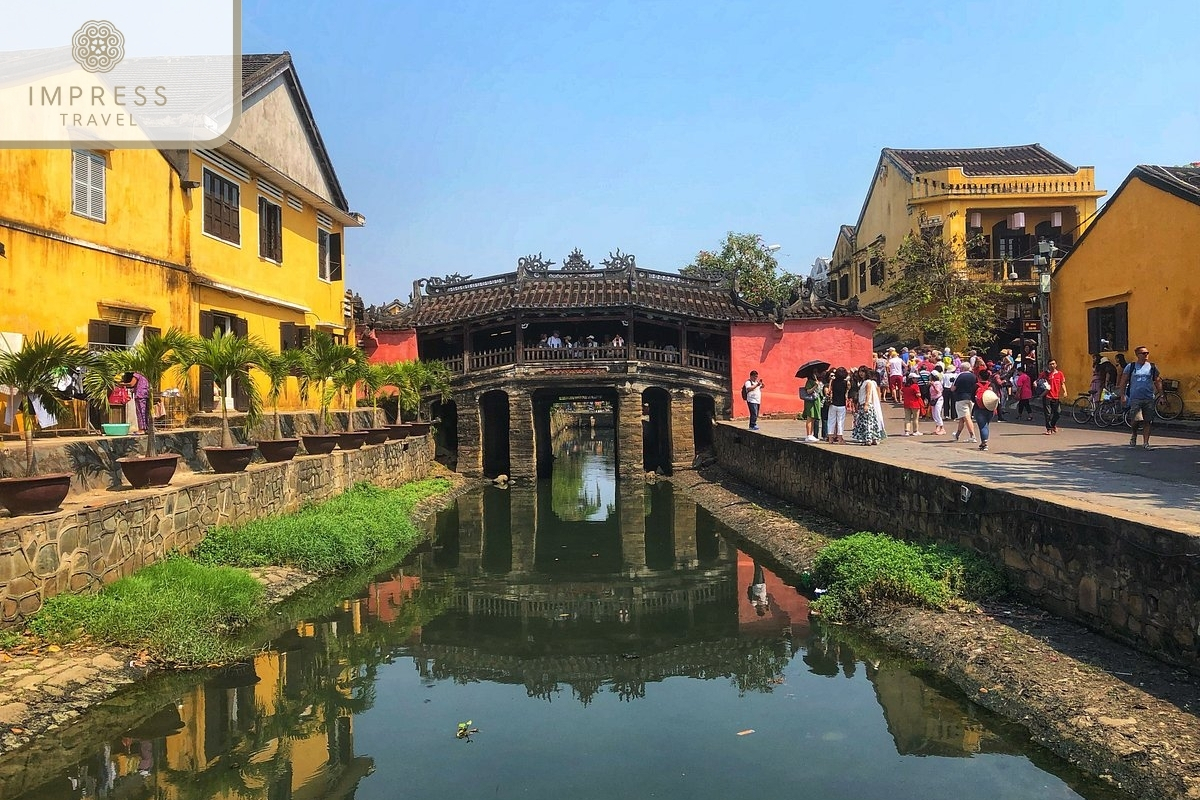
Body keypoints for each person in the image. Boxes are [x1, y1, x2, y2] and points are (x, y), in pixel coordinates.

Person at [1118, 346, 1162, 450]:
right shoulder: (1131, 366)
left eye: (1147, 353)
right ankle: (1134, 434)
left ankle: (1146, 443)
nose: (1146, 355)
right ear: (1137, 355)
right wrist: (1122, 395)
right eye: (1143, 353)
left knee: (1148, 421)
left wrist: (1162, 395)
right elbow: (1123, 381)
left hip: (1148, 398)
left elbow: (1157, 381)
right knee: (1136, 420)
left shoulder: (1152, 367)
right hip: (1135, 398)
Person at [850, 366, 885, 445]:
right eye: (860, 372)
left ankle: (868, 439)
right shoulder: (863, 382)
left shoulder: (868, 382)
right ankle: (872, 438)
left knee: (868, 422)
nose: (861, 373)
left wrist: (866, 404)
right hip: (862, 404)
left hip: (867, 404)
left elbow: (868, 393)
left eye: (863, 372)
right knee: (866, 422)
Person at [951, 367, 978, 444]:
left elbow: (953, 388)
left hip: (961, 398)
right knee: (962, 418)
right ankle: (957, 434)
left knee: (966, 417)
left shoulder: (959, 376)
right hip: (971, 398)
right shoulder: (974, 376)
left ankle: (972, 436)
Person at [1040, 359, 1066, 434]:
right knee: (1047, 413)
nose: (1052, 365)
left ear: (1056, 364)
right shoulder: (1045, 374)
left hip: (1056, 396)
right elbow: (1038, 381)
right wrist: (1035, 383)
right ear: (1048, 365)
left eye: (1053, 364)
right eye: (1050, 364)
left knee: (1058, 412)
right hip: (1047, 396)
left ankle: (1053, 424)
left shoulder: (1060, 374)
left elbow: (1062, 383)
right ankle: (1049, 429)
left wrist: (1065, 391)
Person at [973, 369, 997, 452]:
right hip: (990, 408)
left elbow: (972, 398)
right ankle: (983, 443)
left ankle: (984, 443)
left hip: (979, 408)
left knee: (983, 426)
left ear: (979, 377)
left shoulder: (976, 386)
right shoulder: (992, 385)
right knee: (986, 425)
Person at [826, 366, 850, 444]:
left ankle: (830, 438)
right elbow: (847, 392)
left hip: (833, 403)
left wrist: (830, 382)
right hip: (842, 404)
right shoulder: (845, 382)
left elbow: (829, 391)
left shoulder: (833, 381)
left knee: (831, 421)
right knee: (840, 421)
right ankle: (840, 439)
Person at [801, 370, 824, 442]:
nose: (816, 374)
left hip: (816, 401)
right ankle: (808, 435)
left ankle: (811, 434)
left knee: (813, 418)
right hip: (810, 401)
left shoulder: (817, 381)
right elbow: (808, 391)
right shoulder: (809, 381)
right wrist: (815, 386)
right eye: (815, 373)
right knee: (810, 418)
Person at [929, 367, 945, 435]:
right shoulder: (934, 382)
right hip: (933, 399)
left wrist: (933, 385)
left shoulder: (937, 383)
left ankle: (942, 428)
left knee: (937, 413)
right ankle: (937, 427)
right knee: (934, 414)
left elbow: (938, 391)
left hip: (938, 399)